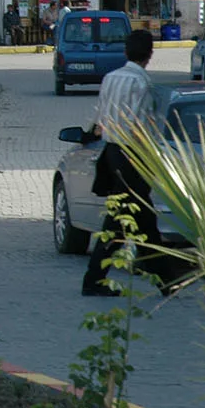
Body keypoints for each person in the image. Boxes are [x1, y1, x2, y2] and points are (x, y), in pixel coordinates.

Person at [82, 29, 174, 295]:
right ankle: (162, 280)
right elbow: (140, 125)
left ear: (125, 52)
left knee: (128, 217)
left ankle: (163, 280)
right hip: (133, 153)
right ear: (150, 55)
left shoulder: (110, 78)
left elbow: (99, 117)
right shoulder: (143, 85)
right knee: (134, 216)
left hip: (112, 151)